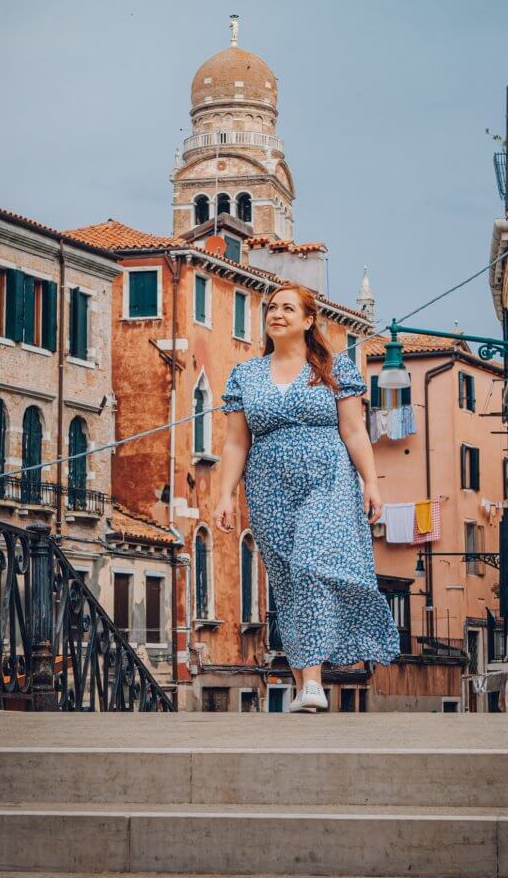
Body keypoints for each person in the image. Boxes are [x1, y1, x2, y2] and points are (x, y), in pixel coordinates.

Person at [214, 283, 401, 713]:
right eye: (272, 308)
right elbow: (235, 443)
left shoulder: (334, 368)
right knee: (288, 581)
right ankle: (304, 685)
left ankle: (313, 680)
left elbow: (354, 431)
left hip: (328, 478)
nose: (277, 314)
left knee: (309, 565)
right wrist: (225, 494)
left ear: (308, 319)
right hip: (266, 487)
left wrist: (371, 481)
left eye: (287, 308)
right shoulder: (246, 375)